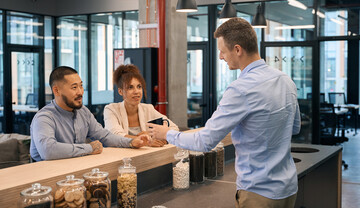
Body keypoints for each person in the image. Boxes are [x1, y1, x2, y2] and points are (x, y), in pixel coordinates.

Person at [148, 18, 301, 207]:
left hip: (258, 193)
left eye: (222, 50)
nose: (220, 56)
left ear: (237, 50)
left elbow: (205, 141)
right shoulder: (286, 80)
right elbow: (294, 128)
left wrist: (167, 134)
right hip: (288, 189)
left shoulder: (240, 89)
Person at [30, 66, 149, 162]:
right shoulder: (44, 117)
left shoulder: (83, 112)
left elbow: (104, 136)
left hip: (75, 171)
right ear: (56, 90)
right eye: (74, 87)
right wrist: (89, 148)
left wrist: (131, 142)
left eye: (81, 86)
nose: (80, 92)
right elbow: (48, 150)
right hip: (46, 177)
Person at [104, 64, 178, 147]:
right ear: (120, 91)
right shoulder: (111, 109)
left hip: (144, 156)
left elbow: (174, 128)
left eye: (139, 87)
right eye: (130, 87)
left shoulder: (148, 108)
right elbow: (115, 135)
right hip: (120, 156)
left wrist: (154, 136)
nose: (136, 91)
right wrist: (146, 141)